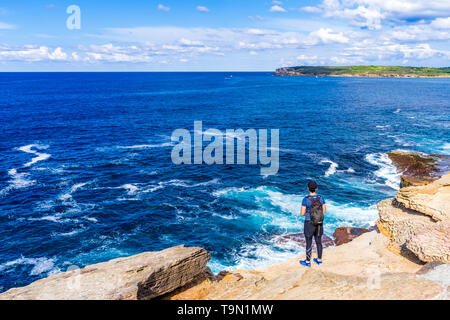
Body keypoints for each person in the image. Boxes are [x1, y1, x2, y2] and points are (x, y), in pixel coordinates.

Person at [299, 181, 326, 267]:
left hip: (309, 223)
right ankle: (319, 260)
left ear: (308, 188)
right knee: (319, 242)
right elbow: (324, 211)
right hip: (319, 223)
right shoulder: (321, 198)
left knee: (309, 242)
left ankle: (307, 262)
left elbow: (302, 213)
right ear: (316, 188)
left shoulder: (305, 199)